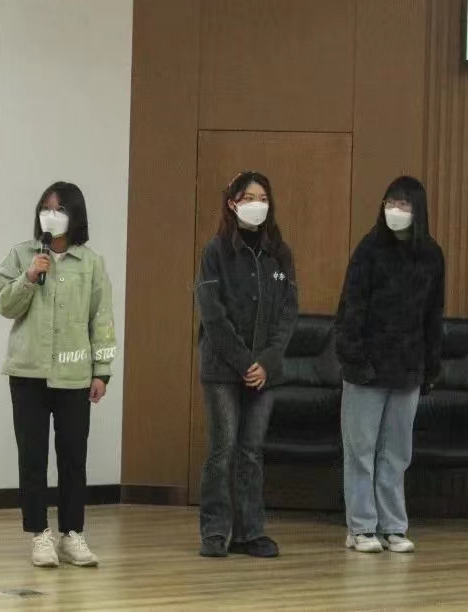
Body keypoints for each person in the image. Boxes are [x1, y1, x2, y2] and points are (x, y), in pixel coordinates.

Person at [0, 181, 117, 568]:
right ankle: (39, 534)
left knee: (73, 458)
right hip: (28, 372)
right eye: (46, 208)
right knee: (32, 457)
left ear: (75, 215)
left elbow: (102, 320)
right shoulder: (22, 255)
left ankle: (72, 534)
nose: (51, 215)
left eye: (60, 209)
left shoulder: (91, 262)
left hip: (75, 374)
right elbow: (4, 305)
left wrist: (103, 371)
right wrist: (29, 276)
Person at [335, 175, 445, 554]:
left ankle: (393, 526)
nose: (395, 211)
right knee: (360, 450)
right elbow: (350, 309)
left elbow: (433, 316)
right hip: (365, 368)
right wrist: (354, 359)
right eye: (390, 204)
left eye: (404, 205)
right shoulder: (369, 249)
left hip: (408, 369)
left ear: (419, 211)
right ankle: (361, 527)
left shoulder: (431, 255)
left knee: (397, 453)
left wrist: (430, 368)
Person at [196, 171, 298, 559]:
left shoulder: (280, 253)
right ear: (232, 204)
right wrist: (244, 362)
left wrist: (266, 362)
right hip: (223, 368)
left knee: (251, 452)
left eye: (263, 198)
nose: (257, 204)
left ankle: (249, 531)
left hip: (265, 371)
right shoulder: (216, 251)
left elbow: (288, 312)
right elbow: (213, 315)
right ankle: (215, 531)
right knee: (222, 450)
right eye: (249, 198)